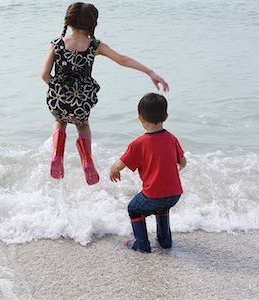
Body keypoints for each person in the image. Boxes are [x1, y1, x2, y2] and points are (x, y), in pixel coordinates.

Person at [41, 2, 169, 185]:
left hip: (58, 98)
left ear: (68, 21)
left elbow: (43, 74)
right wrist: (150, 72)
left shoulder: (56, 44)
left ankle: (56, 156)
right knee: (82, 125)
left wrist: (59, 89)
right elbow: (122, 59)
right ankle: (87, 161)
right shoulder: (94, 45)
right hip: (81, 100)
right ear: (92, 23)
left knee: (59, 121)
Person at [109, 93, 187, 253]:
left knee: (134, 209)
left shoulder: (139, 144)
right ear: (166, 115)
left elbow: (120, 164)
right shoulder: (171, 138)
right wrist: (177, 169)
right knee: (162, 207)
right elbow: (183, 162)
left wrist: (113, 169)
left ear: (140, 118)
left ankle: (141, 243)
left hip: (153, 195)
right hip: (174, 195)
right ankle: (165, 241)